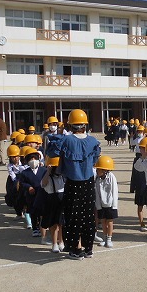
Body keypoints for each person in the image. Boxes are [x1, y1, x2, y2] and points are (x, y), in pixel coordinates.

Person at [46, 109, 101, 260]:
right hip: (88, 182)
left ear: (70, 125)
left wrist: (61, 133)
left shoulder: (66, 140)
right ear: (85, 124)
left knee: (72, 216)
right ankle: (88, 248)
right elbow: (96, 158)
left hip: (73, 182)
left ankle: (75, 249)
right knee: (88, 215)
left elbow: (51, 152)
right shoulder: (93, 141)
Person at [40, 156, 65, 253]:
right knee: (53, 224)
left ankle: (61, 241)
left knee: (61, 223)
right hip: (51, 201)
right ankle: (54, 243)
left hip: (61, 200)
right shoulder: (48, 177)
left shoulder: (62, 177)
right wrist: (48, 172)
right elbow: (43, 184)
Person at [94, 155, 118, 248]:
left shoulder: (111, 177)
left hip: (110, 205)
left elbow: (114, 191)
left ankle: (109, 239)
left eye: (98, 169)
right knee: (103, 221)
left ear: (104, 170)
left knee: (110, 222)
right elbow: (97, 193)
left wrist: (114, 205)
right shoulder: (97, 179)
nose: (96, 170)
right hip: (101, 205)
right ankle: (104, 238)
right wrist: (98, 206)